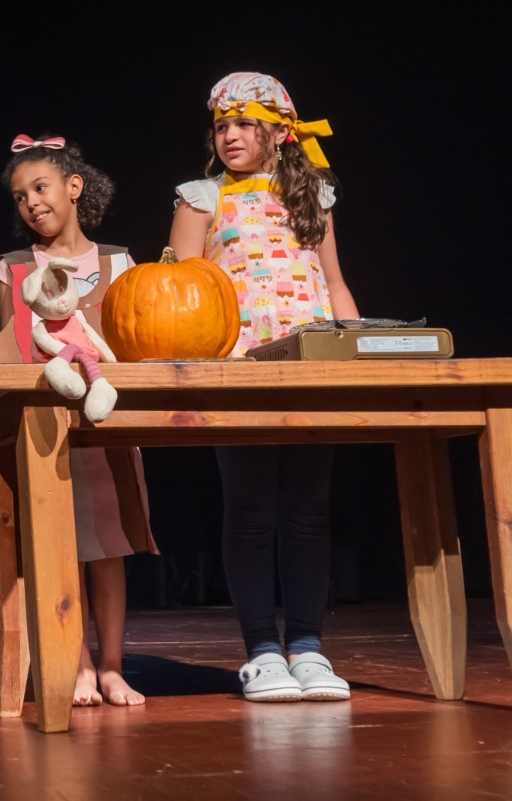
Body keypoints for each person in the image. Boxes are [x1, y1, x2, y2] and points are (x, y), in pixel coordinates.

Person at [167, 72, 359, 702]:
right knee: (250, 511)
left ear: (280, 132)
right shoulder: (202, 197)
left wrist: (360, 350)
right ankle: (262, 652)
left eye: (244, 124)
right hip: (240, 369)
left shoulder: (315, 198)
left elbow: (334, 284)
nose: (229, 136)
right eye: (221, 125)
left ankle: (307, 646)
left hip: (310, 366)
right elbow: (178, 291)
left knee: (308, 510)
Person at [0, 134, 158, 707]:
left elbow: (140, 337)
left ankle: (111, 667)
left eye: (40, 187)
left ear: (74, 188)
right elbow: (2, 350)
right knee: (60, 551)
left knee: (109, 549)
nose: (30, 202)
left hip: (107, 429)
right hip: (45, 432)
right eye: (20, 196)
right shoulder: (15, 269)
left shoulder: (117, 263)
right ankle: (74, 664)